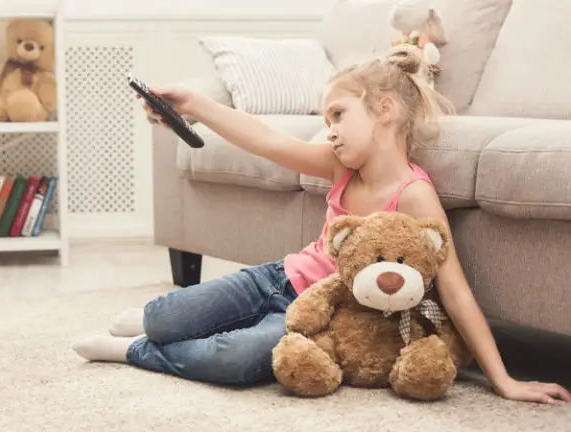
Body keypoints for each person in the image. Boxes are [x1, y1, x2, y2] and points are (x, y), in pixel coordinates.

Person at [73, 45, 571, 405]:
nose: (328, 129)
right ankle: (157, 326)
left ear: (384, 110)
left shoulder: (415, 195)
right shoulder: (340, 166)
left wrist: (503, 379)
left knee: (236, 361)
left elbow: (455, 288)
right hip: (276, 279)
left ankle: (136, 352)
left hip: (322, 317)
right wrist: (196, 106)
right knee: (166, 317)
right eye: (325, 118)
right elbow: (264, 139)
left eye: (337, 114)